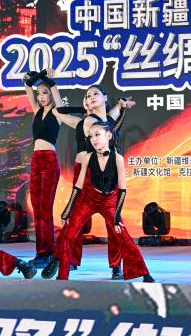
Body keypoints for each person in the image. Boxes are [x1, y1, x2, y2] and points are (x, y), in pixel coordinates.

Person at [52, 121, 153, 282]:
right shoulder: (87, 157)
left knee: (123, 235)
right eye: (91, 136)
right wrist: (67, 210)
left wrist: (117, 218)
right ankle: (62, 276)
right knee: (68, 234)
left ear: (109, 135)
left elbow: (122, 190)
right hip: (90, 199)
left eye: (97, 134)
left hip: (109, 201)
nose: (93, 139)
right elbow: (78, 186)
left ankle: (144, 274)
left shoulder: (118, 158)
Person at [51, 85, 133, 279]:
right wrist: (84, 108)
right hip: (86, 171)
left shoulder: (106, 120)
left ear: (105, 97)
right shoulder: (88, 121)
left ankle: (116, 265)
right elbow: (57, 111)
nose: (91, 97)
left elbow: (112, 116)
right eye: (88, 96)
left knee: (113, 221)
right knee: (75, 218)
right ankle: (68, 258)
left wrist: (121, 106)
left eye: (96, 94)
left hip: (108, 172)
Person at [22, 69, 62, 269]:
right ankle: (41, 253)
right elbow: (28, 85)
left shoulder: (58, 111)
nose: (41, 96)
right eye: (39, 93)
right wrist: (36, 76)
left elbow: (54, 86)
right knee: (37, 209)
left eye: (45, 93)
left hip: (49, 161)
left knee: (45, 209)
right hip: (35, 161)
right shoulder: (37, 110)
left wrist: (45, 75)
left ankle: (48, 252)